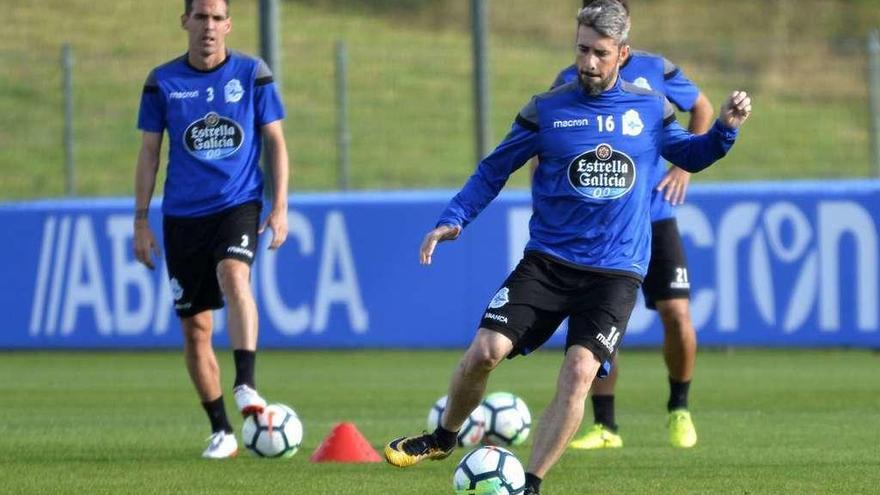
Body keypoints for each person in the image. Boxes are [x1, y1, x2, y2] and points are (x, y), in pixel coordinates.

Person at [383, 1, 751, 493]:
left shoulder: (650, 107)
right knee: (485, 352)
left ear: (622, 53)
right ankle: (443, 437)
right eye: (582, 50)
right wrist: (454, 219)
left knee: (580, 371)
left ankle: (531, 483)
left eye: (600, 53)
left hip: (616, 272)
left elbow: (692, 153)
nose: (589, 63)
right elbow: (494, 169)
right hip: (548, 262)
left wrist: (724, 129)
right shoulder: (547, 109)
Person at [547, 0, 713, 450]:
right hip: (600, 228)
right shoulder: (569, 80)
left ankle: (679, 406)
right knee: (600, 325)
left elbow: (701, 106)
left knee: (677, 315)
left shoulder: (656, 69)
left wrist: (683, 168)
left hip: (654, 216)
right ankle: (605, 426)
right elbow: (548, 146)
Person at [133, 0, 290, 459]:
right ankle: (221, 430)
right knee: (195, 329)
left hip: (236, 204)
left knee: (234, 274)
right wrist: (141, 220)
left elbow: (276, 142)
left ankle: (246, 383)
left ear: (228, 24)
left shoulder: (252, 73)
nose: (208, 26)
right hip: (182, 217)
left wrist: (280, 207)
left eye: (217, 17)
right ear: (185, 21)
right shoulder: (162, 81)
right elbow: (148, 154)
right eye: (200, 17)